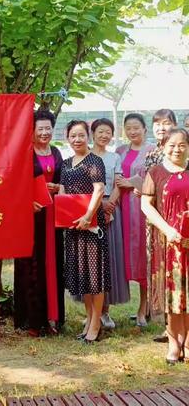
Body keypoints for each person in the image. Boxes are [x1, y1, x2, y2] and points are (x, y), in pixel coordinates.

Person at [141, 128, 189, 364]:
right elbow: (146, 205)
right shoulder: (156, 172)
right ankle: (173, 341)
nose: (177, 149)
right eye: (172, 145)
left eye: (181, 145)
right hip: (168, 242)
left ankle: (188, 342)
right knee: (173, 293)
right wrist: (167, 229)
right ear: (164, 146)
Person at [59, 120, 110, 343]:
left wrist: (88, 216)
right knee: (82, 275)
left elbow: (99, 189)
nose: (77, 139)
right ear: (67, 137)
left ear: (87, 136)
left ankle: (96, 323)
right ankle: (89, 319)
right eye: (73, 135)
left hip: (91, 226)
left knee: (95, 275)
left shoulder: (94, 161)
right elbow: (62, 192)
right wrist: (62, 217)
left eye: (81, 135)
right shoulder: (66, 163)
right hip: (72, 227)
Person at [14, 110, 64, 335]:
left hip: (54, 213)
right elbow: (14, 182)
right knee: (32, 265)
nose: (44, 133)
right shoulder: (24, 152)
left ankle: (53, 318)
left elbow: (64, 179)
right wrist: (26, 201)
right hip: (31, 215)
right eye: (40, 129)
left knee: (53, 264)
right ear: (32, 131)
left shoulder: (56, 151)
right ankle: (32, 320)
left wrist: (57, 187)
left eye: (48, 128)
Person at [116, 113, 154, 326]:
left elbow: (154, 181)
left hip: (141, 210)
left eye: (136, 128)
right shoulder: (120, 151)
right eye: (128, 128)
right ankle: (105, 310)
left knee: (143, 256)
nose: (132, 131)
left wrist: (132, 182)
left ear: (144, 128)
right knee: (121, 256)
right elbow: (113, 178)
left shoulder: (152, 152)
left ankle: (143, 308)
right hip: (122, 210)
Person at [91, 119, 130, 329]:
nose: (104, 135)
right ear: (93, 133)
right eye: (100, 131)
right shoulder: (85, 156)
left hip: (110, 211)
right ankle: (92, 312)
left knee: (109, 259)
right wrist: (98, 204)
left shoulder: (114, 157)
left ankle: (105, 312)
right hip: (89, 208)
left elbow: (118, 184)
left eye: (108, 132)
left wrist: (110, 204)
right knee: (91, 261)